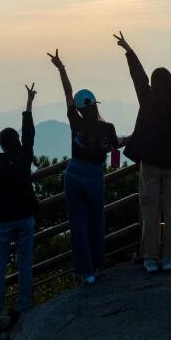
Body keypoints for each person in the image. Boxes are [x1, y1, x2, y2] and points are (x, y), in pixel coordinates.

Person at [115, 31, 171, 273]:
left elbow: (139, 78)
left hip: (150, 164)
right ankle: (169, 258)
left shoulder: (148, 100)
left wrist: (129, 51)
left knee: (150, 214)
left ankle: (150, 259)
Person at [47, 49, 119, 285]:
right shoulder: (107, 127)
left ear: (79, 108)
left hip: (74, 174)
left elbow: (68, 93)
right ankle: (97, 266)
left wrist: (61, 68)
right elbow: (116, 148)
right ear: (95, 105)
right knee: (96, 221)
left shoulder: (74, 121)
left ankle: (85, 272)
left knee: (77, 225)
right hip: (95, 176)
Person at [0, 83, 40, 325]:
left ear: (1, 144)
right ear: (16, 141)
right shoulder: (24, 156)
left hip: (3, 219)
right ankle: (25, 305)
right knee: (25, 261)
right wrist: (28, 104)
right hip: (25, 215)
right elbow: (29, 133)